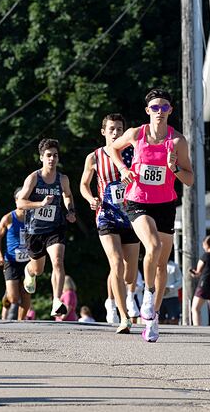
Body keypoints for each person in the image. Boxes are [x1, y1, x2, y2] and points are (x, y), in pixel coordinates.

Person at [107, 88, 194, 343]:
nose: (159, 111)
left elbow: (189, 179)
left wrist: (174, 167)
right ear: (148, 111)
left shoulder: (177, 141)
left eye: (164, 107)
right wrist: (123, 168)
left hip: (165, 204)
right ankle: (146, 295)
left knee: (161, 264)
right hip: (137, 201)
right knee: (152, 245)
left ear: (170, 111)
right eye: (154, 107)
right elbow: (113, 148)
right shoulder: (136, 133)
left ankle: (152, 317)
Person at [80, 113, 140, 334]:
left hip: (132, 216)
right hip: (106, 215)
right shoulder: (94, 157)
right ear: (103, 132)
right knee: (116, 263)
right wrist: (90, 199)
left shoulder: (132, 152)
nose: (116, 133)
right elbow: (83, 185)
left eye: (119, 129)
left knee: (130, 274)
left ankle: (124, 293)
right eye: (112, 129)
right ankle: (124, 317)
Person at [17, 138, 76, 318]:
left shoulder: (62, 179)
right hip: (34, 231)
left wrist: (70, 210)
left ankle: (56, 300)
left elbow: (68, 196)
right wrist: (40, 204)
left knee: (58, 261)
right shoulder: (34, 178)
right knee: (38, 269)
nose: (52, 159)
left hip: (55, 228)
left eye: (55, 155)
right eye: (48, 155)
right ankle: (29, 271)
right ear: (41, 157)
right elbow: (20, 202)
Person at [0, 188, 33, 320]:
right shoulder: (9, 218)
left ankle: (21, 322)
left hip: (28, 261)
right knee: (13, 298)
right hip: (11, 260)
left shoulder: (33, 217)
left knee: (26, 293)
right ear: (16, 201)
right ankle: (8, 295)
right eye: (21, 199)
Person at [189, 235, 210, 326]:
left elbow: (198, 272)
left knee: (195, 308)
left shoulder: (205, 256)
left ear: (206, 244)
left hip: (205, 284)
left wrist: (193, 273)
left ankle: (197, 328)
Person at [159, 257, 182, 325]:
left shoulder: (174, 266)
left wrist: (169, 289)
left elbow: (180, 282)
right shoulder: (155, 264)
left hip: (172, 297)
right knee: (159, 320)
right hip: (158, 298)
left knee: (174, 320)